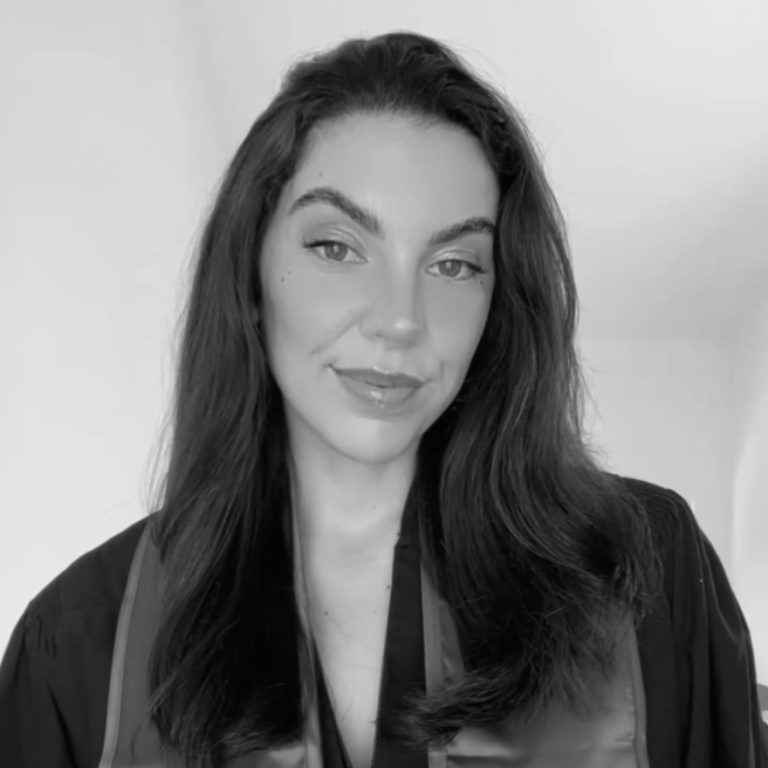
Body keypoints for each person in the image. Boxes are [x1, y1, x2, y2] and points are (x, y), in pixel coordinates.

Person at [0, 30, 765, 768]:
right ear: (251, 276)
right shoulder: (79, 647)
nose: (400, 320)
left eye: (455, 263)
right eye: (337, 247)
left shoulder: (642, 577)